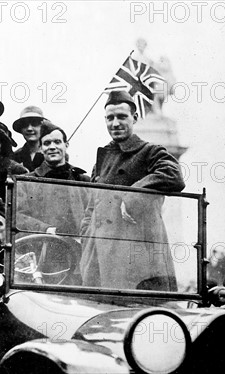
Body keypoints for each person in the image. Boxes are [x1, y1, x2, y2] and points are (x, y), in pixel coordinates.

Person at [79, 90, 185, 290]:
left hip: (134, 258)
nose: (115, 123)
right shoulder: (102, 158)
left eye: (122, 116)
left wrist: (132, 196)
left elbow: (173, 175)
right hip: (97, 258)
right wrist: (86, 233)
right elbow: (92, 205)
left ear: (134, 118)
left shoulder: (149, 151)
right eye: (110, 118)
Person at [17, 123, 90, 236]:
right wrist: (45, 229)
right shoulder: (26, 183)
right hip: (43, 245)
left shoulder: (83, 181)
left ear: (66, 145)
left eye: (57, 142)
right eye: (47, 143)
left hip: (79, 246)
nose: (52, 147)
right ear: (40, 149)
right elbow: (18, 216)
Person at [12, 105, 47, 172]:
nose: (29, 129)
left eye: (35, 124)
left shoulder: (52, 153)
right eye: (25, 125)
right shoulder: (15, 156)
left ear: (42, 127)